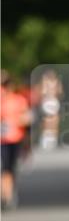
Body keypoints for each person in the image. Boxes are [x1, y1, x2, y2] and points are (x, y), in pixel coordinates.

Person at [1, 70, 32, 210]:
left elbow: (27, 118)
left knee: (11, 169)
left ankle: (10, 193)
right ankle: (7, 196)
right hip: (2, 140)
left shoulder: (18, 100)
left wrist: (20, 120)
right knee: (5, 169)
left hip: (16, 138)